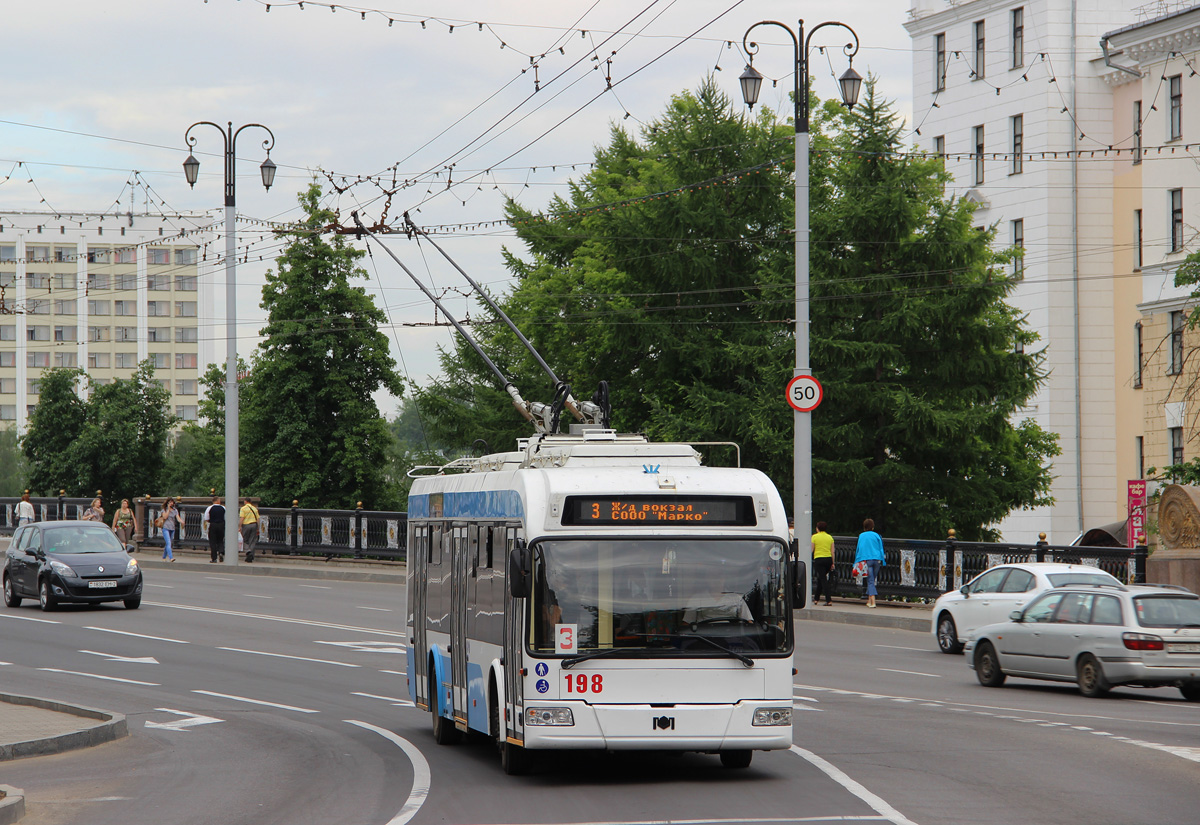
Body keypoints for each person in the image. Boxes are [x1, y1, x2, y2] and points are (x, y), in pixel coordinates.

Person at [853, 518, 886, 608]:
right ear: (872, 526)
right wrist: (883, 559)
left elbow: (859, 549)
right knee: (872, 579)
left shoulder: (861, 536)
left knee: (870, 581)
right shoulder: (877, 535)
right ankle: (869, 600)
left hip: (866, 560)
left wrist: (856, 561)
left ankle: (873, 602)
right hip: (877, 559)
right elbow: (881, 548)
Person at [812, 521, 835, 606]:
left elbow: (811, 549)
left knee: (823, 579)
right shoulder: (830, 537)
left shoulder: (814, 537)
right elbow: (832, 551)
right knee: (821, 578)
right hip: (828, 559)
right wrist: (833, 562)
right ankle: (816, 599)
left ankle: (828, 599)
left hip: (819, 559)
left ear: (817, 528)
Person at [204, 496, 226, 563]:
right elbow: (226, 517)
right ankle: (221, 552)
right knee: (220, 540)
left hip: (213, 524)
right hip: (221, 525)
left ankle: (214, 558)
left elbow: (206, 518)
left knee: (213, 542)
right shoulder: (223, 508)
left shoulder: (209, 508)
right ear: (218, 501)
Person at [159, 497, 182, 562]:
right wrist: (168, 509)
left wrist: (182, 521)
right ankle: (171, 557)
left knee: (168, 543)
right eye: (170, 502)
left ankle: (164, 557)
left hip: (172, 528)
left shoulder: (175, 510)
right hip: (165, 528)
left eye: (172, 502)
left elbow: (178, 518)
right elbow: (165, 517)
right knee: (169, 543)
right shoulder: (164, 510)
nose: (171, 503)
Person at [239, 498, 260, 563]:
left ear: (245, 501)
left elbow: (242, 518)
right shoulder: (254, 508)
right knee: (252, 540)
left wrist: (239, 526)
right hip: (254, 525)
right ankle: (251, 556)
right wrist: (258, 528)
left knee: (245, 540)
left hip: (246, 525)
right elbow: (258, 519)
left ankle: (248, 552)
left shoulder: (243, 508)